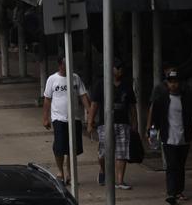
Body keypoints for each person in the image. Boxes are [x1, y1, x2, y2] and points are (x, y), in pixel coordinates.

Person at [148, 69, 192, 205]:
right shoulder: (162, 99)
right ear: (167, 83)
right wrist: (151, 131)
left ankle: (179, 190)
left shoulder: (186, 99)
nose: (173, 85)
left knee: (180, 165)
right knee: (171, 165)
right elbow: (155, 115)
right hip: (168, 137)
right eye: (170, 82)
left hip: (184, 137)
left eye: (175, 82)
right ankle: (171, 193)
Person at [87, 59, 137, 189]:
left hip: (123, 123)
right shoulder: (101, 84)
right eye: (117, 67)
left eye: (121, 68)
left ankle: (120, 180)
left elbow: (132, 106)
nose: (119, 70)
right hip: (105, 123)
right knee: (103, 152)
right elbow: (94, 104)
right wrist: (90, 122)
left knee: (122, 152)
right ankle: (104, 171)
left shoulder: (126, 85)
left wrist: (134, 122)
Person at [42, 56, 91, 184]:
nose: (68, 67)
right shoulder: (52, 79)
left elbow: (83, 96)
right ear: (60, 65)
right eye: (66, 64)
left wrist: (90, 113)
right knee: (59, 147)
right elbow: (47, 99)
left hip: (74, 118)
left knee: (72, 148)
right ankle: (60, 172)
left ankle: (69, 173)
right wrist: (45, 118)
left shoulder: (75, 78)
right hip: (59, 118)